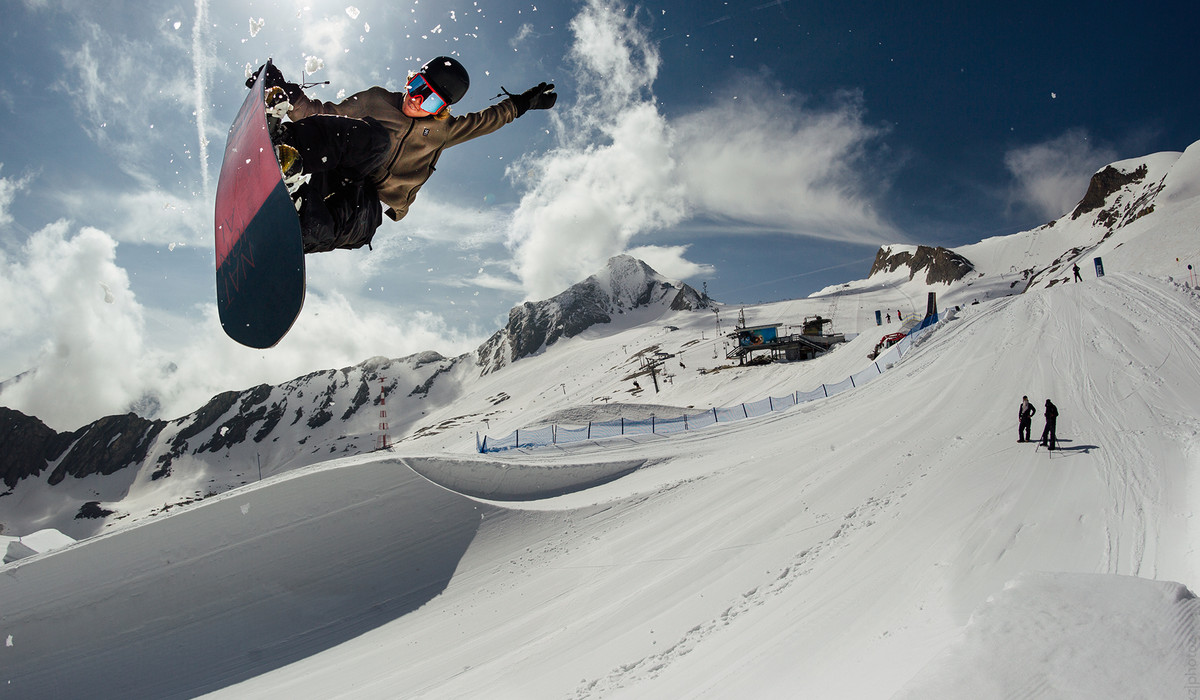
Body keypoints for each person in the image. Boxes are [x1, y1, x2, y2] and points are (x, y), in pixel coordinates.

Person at [249, 57, 557, 253]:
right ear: (411, 78)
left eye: (430, 100)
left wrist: (522, 104)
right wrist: (288, 93)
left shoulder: (443, 130)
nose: (416, 100)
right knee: (375, 138)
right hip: (337, 168)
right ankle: (286, 151)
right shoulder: (377, 99)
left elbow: (486, 120)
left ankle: (294, 231)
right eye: (417, 86)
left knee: (363, 225)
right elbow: (324, 116)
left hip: (364, 196)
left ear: (442, 110)